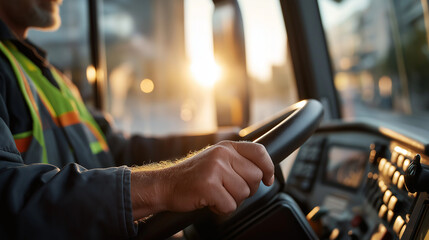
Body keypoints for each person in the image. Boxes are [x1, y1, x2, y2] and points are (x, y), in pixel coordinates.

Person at [0, 0, 274, 239]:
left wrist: (229, 140)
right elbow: (7, 195)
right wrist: (167, 185)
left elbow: (118, 151)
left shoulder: (50, 76)